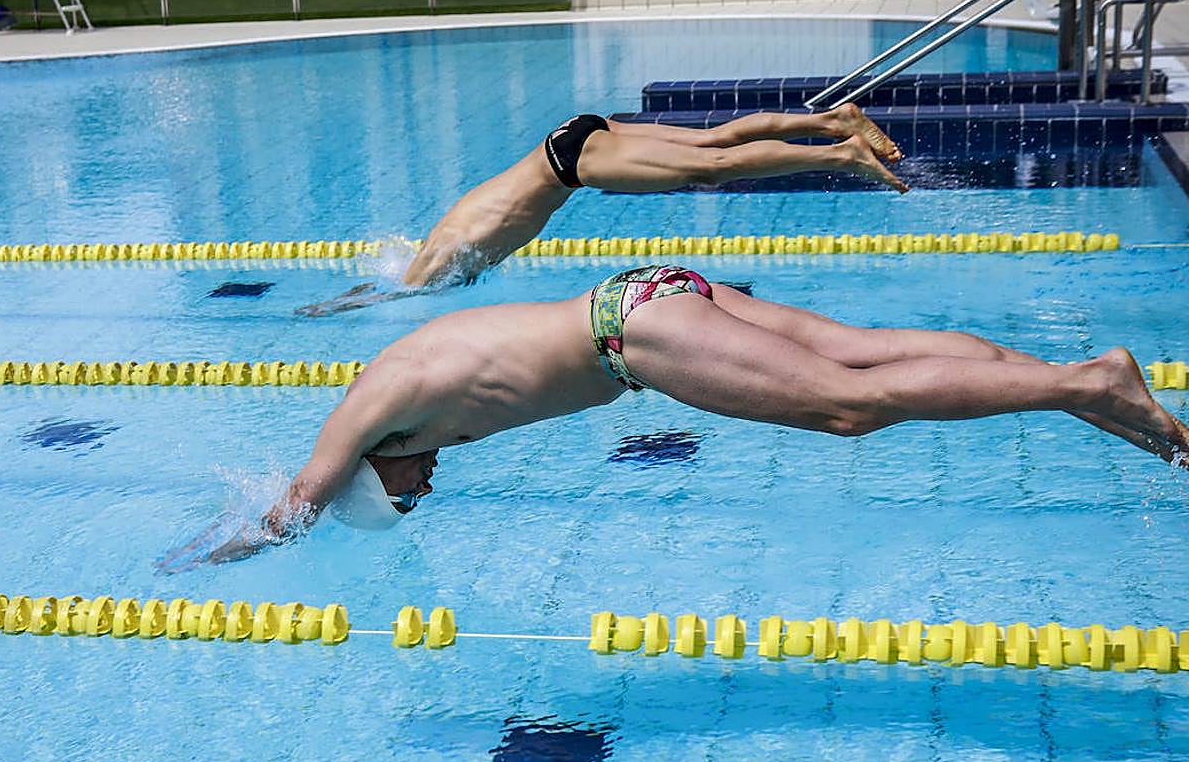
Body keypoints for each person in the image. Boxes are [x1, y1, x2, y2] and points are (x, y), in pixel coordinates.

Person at [184, 264, 1187, 567]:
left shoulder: (366, 417)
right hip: (645, 294)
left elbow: (300, 499)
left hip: (638, 339)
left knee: (849, 407)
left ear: (377, 472)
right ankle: (1079, 378)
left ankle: (1085, 389)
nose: (425, 488)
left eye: (404, 498)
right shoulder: (402, 387)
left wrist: (208, 555)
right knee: (863, 352)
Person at [293, 104, 908, 317]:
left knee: (708, 167)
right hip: (571, 135)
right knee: (713, 141)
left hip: (568, 165)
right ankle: (833, 121)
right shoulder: (440, 236)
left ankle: (843, 154)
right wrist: (348, 297)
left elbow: (399, 293)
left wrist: (337, 308)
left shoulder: (435, 267)